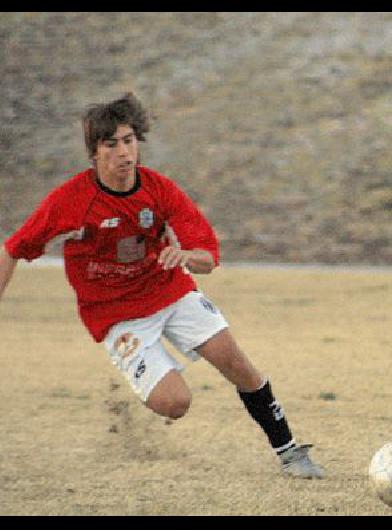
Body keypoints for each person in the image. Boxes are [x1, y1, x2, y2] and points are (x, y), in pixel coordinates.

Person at [0, 93, 324, 479]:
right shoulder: (70, 202)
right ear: (94, 153)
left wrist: (186, 256)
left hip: (170, 291)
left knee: (237, 363)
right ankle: (151, 374)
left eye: (129, 140)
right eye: (111, 144)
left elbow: (207, 258)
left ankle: (290, 453)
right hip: (117, 316)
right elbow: (14, 248)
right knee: (175, 403)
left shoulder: (159, 189)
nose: (124, 152)